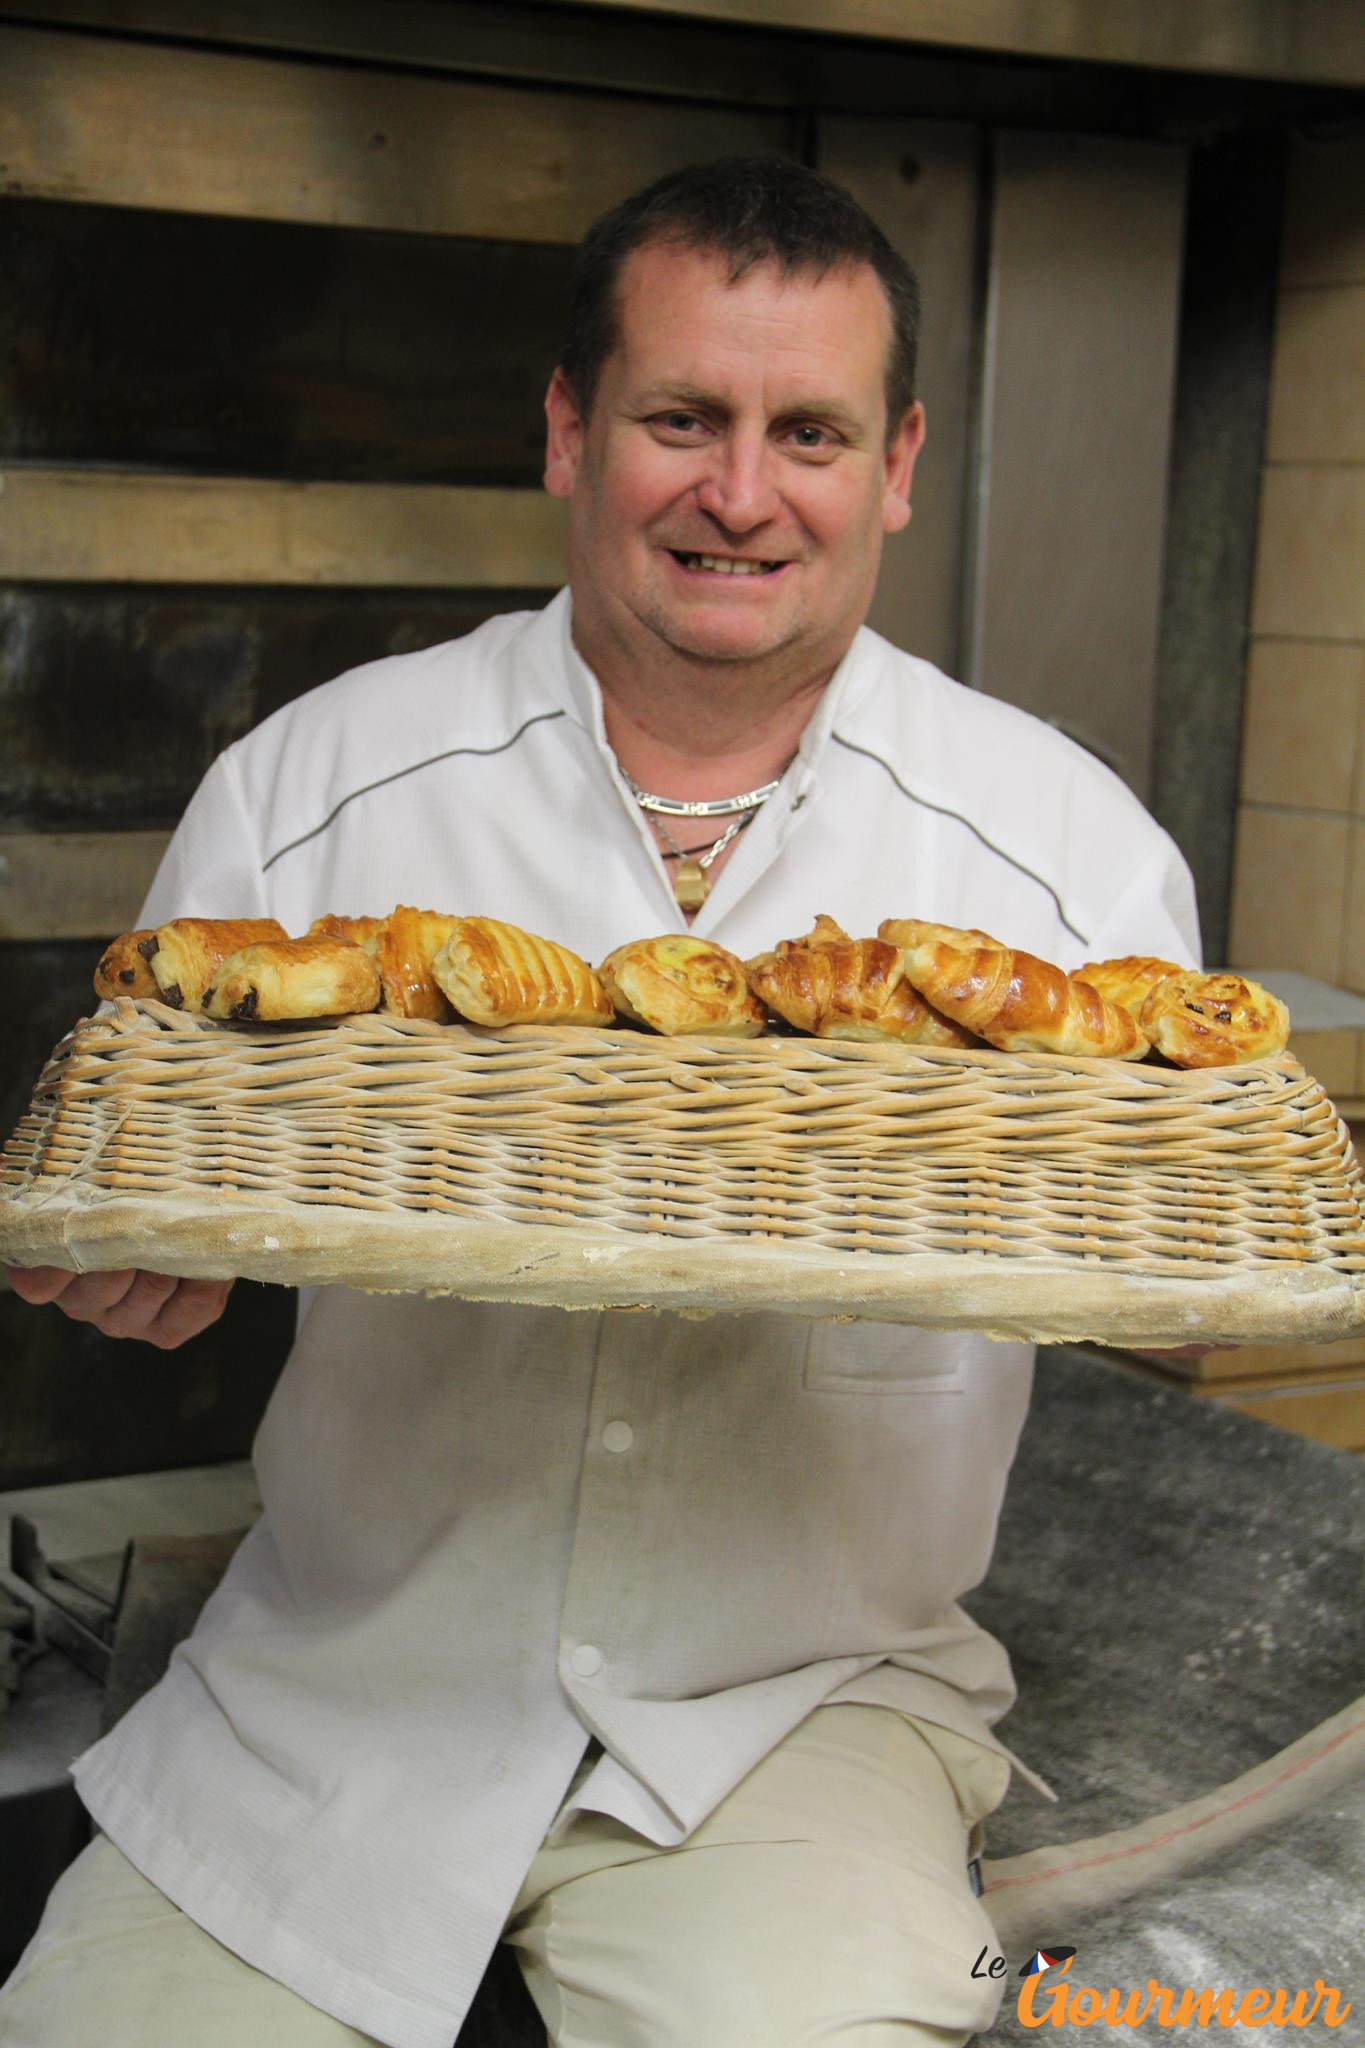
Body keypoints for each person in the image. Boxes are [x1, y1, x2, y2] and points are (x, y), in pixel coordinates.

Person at [3, 158, 1199, 2047]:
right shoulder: (311, 800)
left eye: (805, 430)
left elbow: (1157, 1228)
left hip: (800, 1712)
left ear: (894, 466)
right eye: (680, 418)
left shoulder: (1060, 875)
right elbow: (167, 1164)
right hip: (341, 1694)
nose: (741, 492)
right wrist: (134, 1256)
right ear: (568, 433)